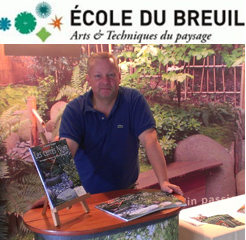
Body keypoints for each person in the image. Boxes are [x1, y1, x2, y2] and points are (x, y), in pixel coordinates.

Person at [59, 52, 183, 195]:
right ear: (89, 79)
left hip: (127, 194)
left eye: (111, 75)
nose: (105, 81)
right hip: (87, 198)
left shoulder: (133, 100)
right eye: (98, 76)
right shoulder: (75, 110)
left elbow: (150, 141)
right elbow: (66, 152)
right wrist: (55, 194)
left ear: (119, 77)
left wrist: (163, 181)